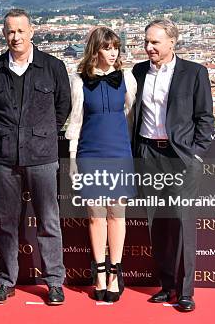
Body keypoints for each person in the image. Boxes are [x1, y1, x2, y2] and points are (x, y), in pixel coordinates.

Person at [0, 8, 71, 306]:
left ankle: (54, 282)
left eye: (20, 30)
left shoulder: (52, 66)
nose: (15, 36)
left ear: (32, 31)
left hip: (43, 156)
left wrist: (43, 133)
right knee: (6, 223)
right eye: (10, 31)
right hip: (7, 157)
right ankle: (6, 282)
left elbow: (63, 107)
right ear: (3, 33)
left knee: (49, 222)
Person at [132, 19, 214, 312]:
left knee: (182, 223)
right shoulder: (138, 71)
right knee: (158, 224)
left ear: (172, 42)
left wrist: (197, 153)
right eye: (146, 42)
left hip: (180, 157)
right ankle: (166, 286)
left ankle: (186, 291)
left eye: (154, 42)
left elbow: (205, 118)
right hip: (148, 154)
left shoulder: (194, 73)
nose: (148, 47)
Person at [65, 27, 136, 303]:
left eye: (115, 47)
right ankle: (100, 274)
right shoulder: (79, 81)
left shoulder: (127, 79)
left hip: (119, 152)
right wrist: (72, 160)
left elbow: (129, 116)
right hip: (89, 153)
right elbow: (76, 122)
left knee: (117, 214)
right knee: (95, 215)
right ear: (95, 50)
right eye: (107, 47)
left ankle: (116, 273)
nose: (113, 52)